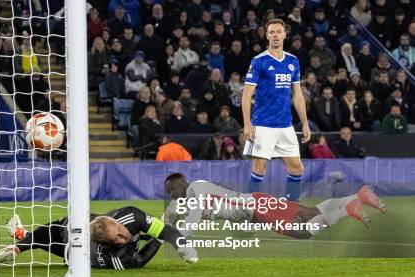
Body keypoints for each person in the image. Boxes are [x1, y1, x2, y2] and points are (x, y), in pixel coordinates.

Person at [162, 173, 386, 239]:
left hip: (257, 209)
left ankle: (347, 210)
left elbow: (190, 223)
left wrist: (169, 236)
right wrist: (160, 225)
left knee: (303, 232)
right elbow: (171, 211)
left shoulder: (196, 192)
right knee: (309, 212)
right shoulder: (190, 192)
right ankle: (359, 196)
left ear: (181, 184)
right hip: (257, 202)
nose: (172, 196)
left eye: (172, 190)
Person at [0, 206, 198, 269]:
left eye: (120, 229)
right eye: (120, 236)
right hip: (74, 252)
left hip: (75, 236)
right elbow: (143, 256)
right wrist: (160, 239)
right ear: (111, 244)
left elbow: (164, 229)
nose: (125, 233)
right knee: (54, 234)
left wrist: (182, 245)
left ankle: (19, 242)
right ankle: (20, 240)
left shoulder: (129, 216)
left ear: (114, 219)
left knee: (49, 234)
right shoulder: (121, 259)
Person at [242, 19, 311, 202]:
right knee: (259, 169)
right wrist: (247, 125)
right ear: (266, 35)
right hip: (263, 124)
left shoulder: (292, 61)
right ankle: (249, 213)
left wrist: (305, 123)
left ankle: (290, 210)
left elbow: (297, 95)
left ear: (284, 34)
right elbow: (246, 95)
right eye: (271, 32)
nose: (275, 35)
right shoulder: (259, 61)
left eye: (278, 32)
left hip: (285, 125)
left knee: (297, 168)